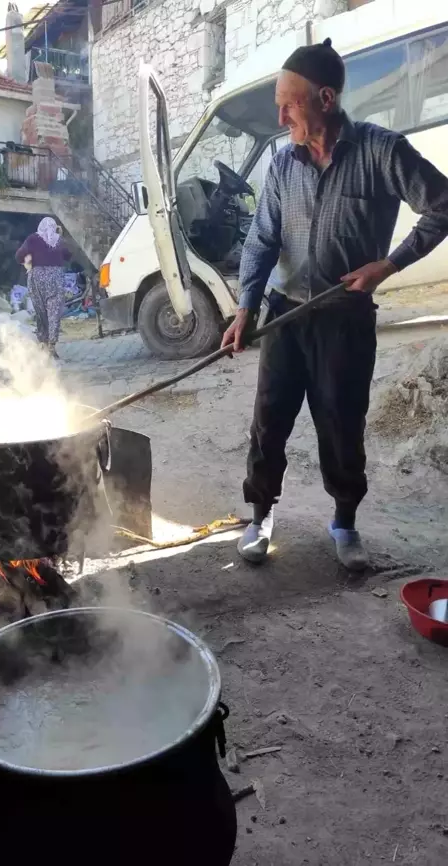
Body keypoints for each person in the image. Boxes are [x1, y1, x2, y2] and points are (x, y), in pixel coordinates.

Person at [222, 38, 448, 571]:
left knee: (342, 422)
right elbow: (261, 240)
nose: (280, 116)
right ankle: (260, 518)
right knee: (269, 420)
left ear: (325, 98)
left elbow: (442, 205)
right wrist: (245, 308)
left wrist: (388, 265)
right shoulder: (281, 165)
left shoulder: (380, 151)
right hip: (286, 315)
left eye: (289, 104)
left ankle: (344, 523)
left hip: (345, 321)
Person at [16, 217, 70, 358]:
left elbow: (18, 256)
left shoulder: (33, 238)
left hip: (37, 278)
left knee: (41, 312)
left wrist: (28, 259)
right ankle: (52, 345)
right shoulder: (59, 241)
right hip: (56, 279)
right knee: (54, 312)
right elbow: (69, 256)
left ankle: (43, 343)